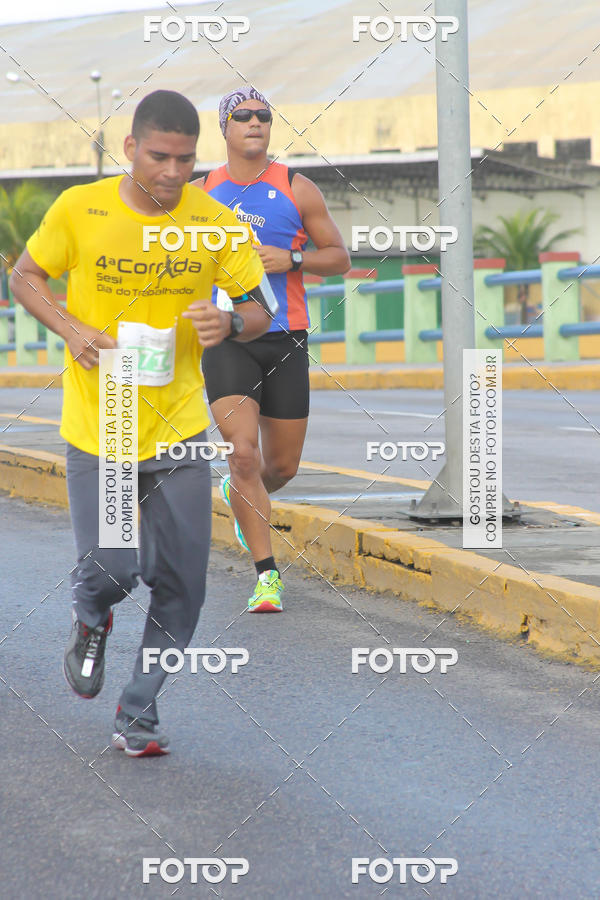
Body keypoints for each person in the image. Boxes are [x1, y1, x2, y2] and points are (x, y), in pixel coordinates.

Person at [10, 90, 274, 756]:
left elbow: (258, 308)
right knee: (114, 566)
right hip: (104, 424)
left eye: (185, 159)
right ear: (130, 149)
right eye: (159, 156)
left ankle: (139, 713)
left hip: (179, 423)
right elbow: (26, 276)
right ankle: (90, 614)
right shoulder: (81, 209)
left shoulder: (216, 223)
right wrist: (71, 329)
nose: (171, 172)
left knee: (186, 581)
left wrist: (232, 322)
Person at [191, 87, 350, 614]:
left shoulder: (297, 187)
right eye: (243, 116)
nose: (255, 123)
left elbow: (340, 257)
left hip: (286, 336)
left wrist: (294, 257)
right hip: (228, 337)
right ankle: (267, 577)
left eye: (263, 116)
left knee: (280, 467)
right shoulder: (200, 193)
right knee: (242, 454)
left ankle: (241, 497)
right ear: (225, 128)